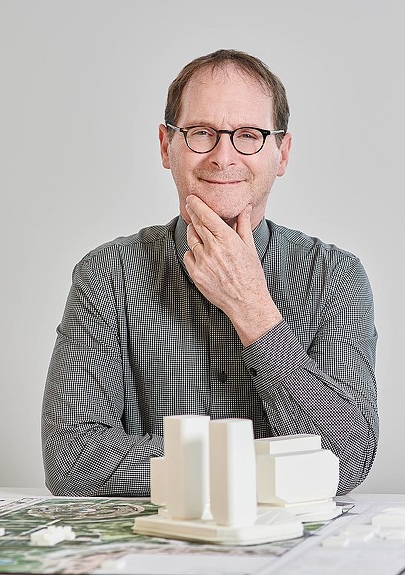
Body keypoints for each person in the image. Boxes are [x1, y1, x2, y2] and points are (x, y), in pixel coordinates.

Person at [41, 49, 379, 497]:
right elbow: (73, 462)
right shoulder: (107, 274)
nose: (223, 156)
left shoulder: (334, 275)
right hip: (151, 555)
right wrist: (267, 469)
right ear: (167, 146)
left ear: (282, 153)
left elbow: (346, 459)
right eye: (201, 133)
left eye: (249, 135)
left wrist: (251, 307)